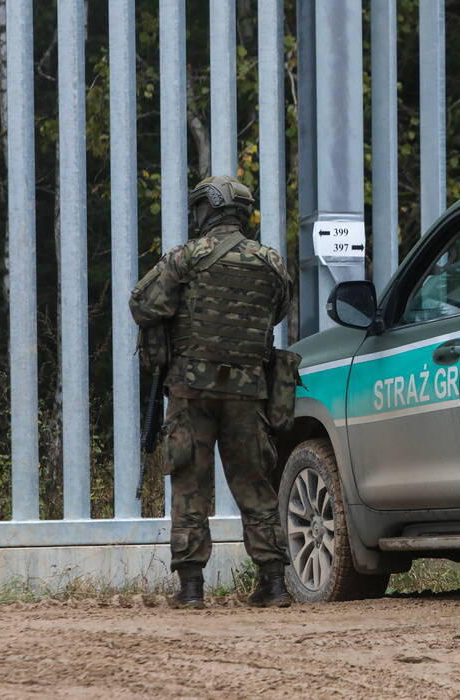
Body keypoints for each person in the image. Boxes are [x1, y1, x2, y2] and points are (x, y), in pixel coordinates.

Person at [129, 174, 293, 610]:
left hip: (191, 389)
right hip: (248, 389)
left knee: (189, 484)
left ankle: (191, 589)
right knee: (255, 483)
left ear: (208, 208)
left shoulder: (185, 257)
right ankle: (274, 585)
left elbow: (144, 306)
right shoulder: (270, 261)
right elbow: (278, 312)